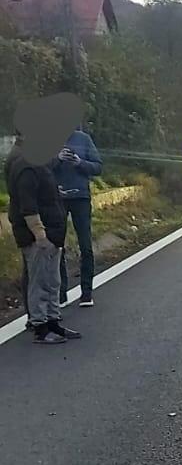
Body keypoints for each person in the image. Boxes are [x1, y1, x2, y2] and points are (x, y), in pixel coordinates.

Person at [6, 134, 81, 343]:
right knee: (39, 281)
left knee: (52, 280)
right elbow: (28, 206)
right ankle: (40, 326)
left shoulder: (38, 162)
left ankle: (53, 321)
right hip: (39, 236)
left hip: (52, 233)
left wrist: (55, 193)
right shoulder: (26, 166)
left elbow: (42, 192)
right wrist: (40, 235)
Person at [52, 127, 102, 307]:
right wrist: (57, 159)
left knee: (86, 245)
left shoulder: (84, 139)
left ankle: (87, 292)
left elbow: (98, 167)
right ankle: (61, 293)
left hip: (81, 197)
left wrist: (79, 162)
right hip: (58, 198)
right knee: (58, 246)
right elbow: (41, 168)